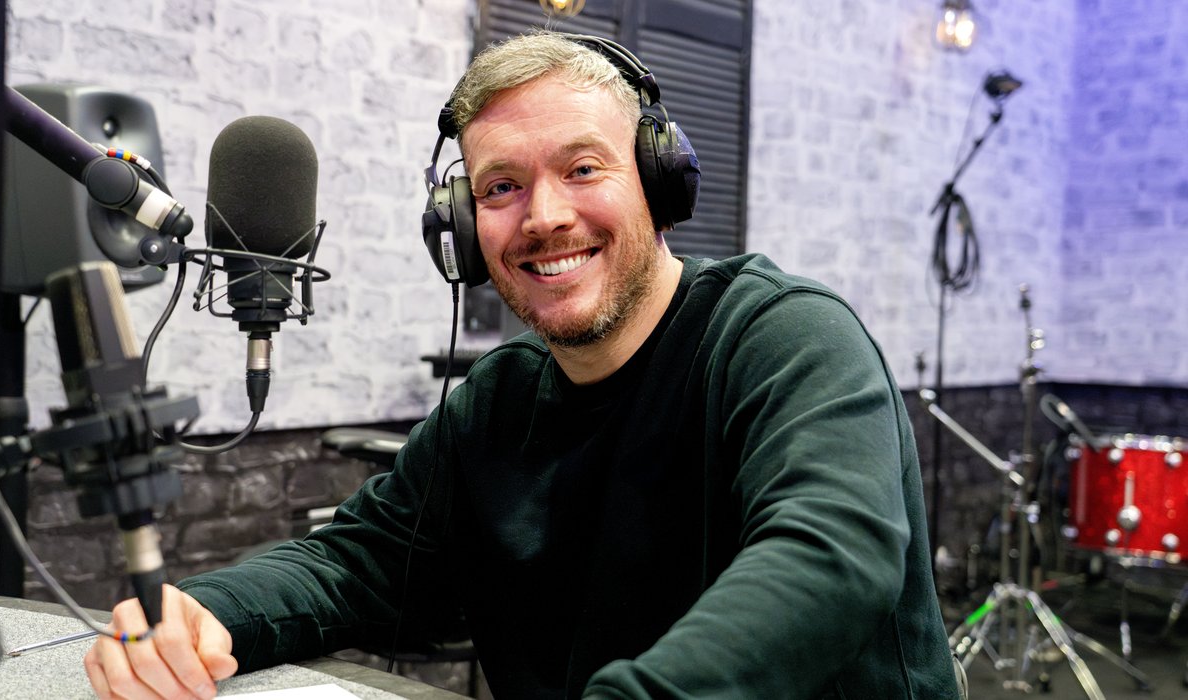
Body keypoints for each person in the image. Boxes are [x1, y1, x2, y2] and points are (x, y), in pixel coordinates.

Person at [84, 30, 960, 699]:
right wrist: (205, 614)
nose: (542, 216)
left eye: (583, 167)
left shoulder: (785, 338)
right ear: (464, 230)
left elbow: (828, 559)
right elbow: (353, 564)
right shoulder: (496, 405)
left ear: (657, 183)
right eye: (501, 187)